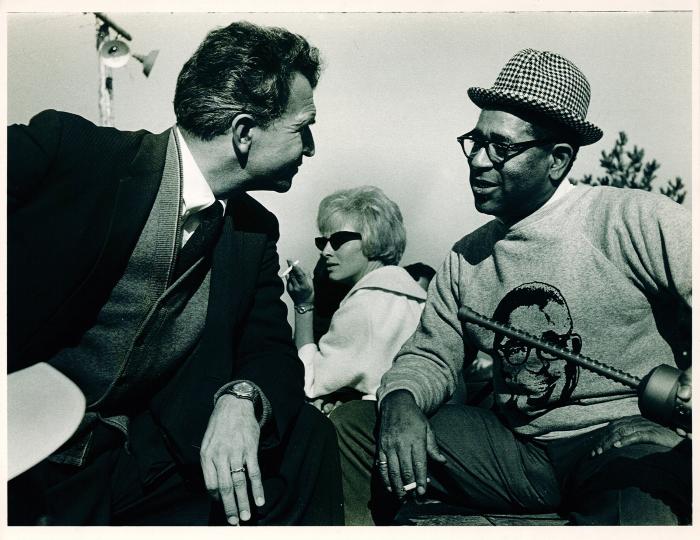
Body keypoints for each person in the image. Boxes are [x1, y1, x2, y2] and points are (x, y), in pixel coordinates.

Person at [331, 48, 691, 525]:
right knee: (357, 428)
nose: (478, 161)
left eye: (500, 148)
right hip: (516, 456)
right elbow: (430, 356)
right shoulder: (466, 257)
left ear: (557, 160)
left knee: (642, 512)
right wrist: (400, 401)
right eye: (474, 142)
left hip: (623, 445)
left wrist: (684, 429)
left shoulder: (632, 218)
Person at [7, 21, 343, 526]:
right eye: (303, 128)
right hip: (19, 448)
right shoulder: (70, 153)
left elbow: (268, 347)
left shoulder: (254, 232)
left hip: (132, 461)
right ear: (244, 132)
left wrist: (242, 398)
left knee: (306, 440)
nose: (311, 148)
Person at [284, 186, 427, 413]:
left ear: (374, 237)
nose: (325, 251)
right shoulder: (418, 300)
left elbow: (305, 382)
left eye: (338, 240)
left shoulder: (364, 305)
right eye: (323, 242)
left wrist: (303, 304)